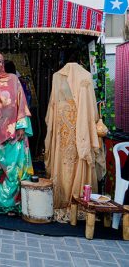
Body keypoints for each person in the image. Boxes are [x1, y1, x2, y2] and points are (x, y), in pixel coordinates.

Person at [44, 62, 105, 222]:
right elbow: (90, 109)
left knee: (66, 160)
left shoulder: (58, 76)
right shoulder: (83, 77)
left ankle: (70, 200)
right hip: (75, 125)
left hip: (65, 124)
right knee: (74, 160)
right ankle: (72, 199)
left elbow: (53, 106)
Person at [0, 52, 33, 216]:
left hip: (14, 133)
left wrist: (21, 126)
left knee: (14, 169)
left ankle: (14, 204)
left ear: (3, 63)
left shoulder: (13, 79)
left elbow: (21, 103)